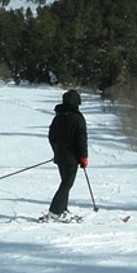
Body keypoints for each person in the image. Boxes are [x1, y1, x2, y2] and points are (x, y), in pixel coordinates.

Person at [46, 89, 88, 222]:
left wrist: (57, 151)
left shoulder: (58, 117)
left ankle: (62, 209)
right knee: (66, 184)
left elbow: (51, 136)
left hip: (60, 157)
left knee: (65, 183)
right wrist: (83, 157)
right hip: (72, 158)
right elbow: (81, 140)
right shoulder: (78, 118)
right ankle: (54, 212)